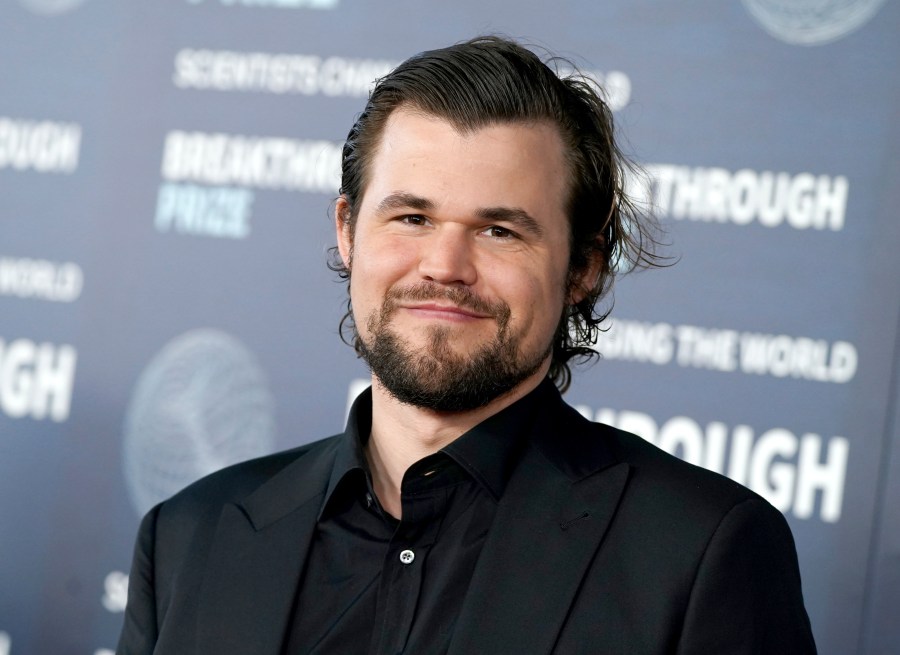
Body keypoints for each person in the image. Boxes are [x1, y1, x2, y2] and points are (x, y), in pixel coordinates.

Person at [117, 36, 817, 654]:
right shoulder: (190, 537)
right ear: (348, 231)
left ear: (584, 265)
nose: (444, 265)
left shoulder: (699, 553)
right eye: (412, 216)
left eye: (499, 230)